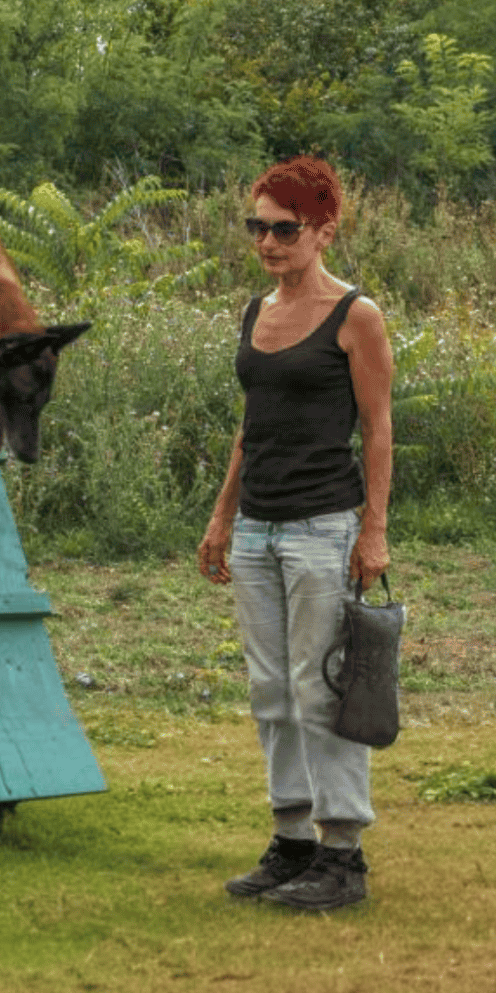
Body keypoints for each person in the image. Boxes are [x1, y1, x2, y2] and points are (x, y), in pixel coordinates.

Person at [197, 154, 393, 912]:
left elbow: (378, 429)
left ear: (324, 230)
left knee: (321, 687)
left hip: (322, 526)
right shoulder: (256, 312)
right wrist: (222, 515)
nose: (267, 242)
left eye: (284, 229)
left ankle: (342, 852)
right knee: (271, 689)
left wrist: (372, 531)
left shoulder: (356, 316)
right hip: (256, 529)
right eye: (257, 227)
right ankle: (291, 841)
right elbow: (251, 427)